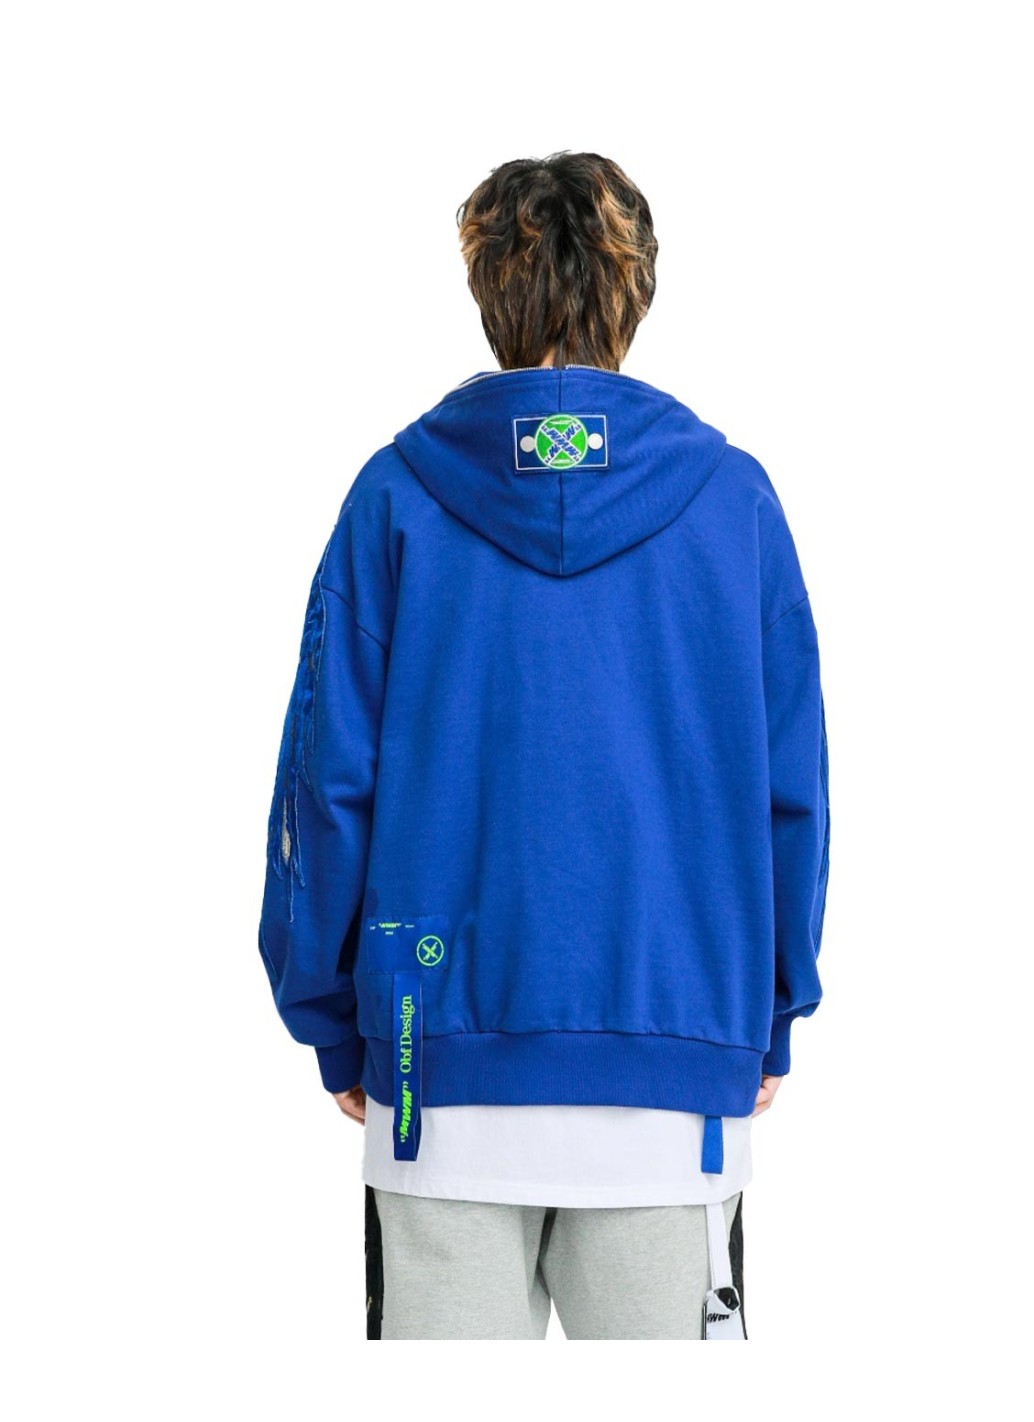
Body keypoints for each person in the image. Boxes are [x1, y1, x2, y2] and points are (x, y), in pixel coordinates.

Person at [256, 150, 831, 1341]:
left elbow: (324, 786)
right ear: (635, 291)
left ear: (486, 291)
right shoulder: (733, 504)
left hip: (432, 1075)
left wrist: (332, 1017)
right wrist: (769, 1010)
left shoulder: (394, 498)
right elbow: (792, 792)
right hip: (672, 1074)